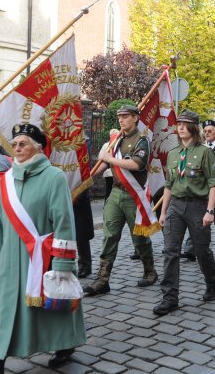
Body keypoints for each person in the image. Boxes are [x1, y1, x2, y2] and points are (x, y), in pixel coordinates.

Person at [0, 124, 86, 374]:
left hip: (45, 256)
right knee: (6, 307)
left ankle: (65, 344)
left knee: (53, 304)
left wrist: (62, 264)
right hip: (11, 258)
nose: (17, 148)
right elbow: (0, 219)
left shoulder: (54, 177)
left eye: (23, 143)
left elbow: (64, 222)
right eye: (15, 144)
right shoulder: (6, 179)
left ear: (38, 147)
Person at [153, 110, 215, 316]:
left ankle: (212, 281)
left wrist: (210, 211)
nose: (180, 127)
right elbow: (168, 184)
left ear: (193, 127)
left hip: (198, 207)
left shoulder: (205, 153)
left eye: (185, 124)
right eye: (178, 124)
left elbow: (214, 183)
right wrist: (163, 212)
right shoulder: (173, 154)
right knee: (170, 252)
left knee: (201, 251)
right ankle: (169, 297)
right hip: (176, 207)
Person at [85, 105, 158, 296]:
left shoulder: (142, 141)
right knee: (109, 235)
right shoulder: (116, 140)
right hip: (116, 194)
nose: (121, 120)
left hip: (133, 196)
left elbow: (135, 164)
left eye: (125, 116)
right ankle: (102, 279)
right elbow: (105, 163)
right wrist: (89, 179)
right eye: (119, 117)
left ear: (135, 118)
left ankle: (150, 271)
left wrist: (109, 158)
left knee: (139, 238)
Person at [182, 119, 215, 260]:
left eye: (209, 131)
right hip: (201, 190)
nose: (206, 133)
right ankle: (191, 250)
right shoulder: (200, 147)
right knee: (197, 219)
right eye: (204, 131)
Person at [101, 128, 120, 203]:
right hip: (109, 172)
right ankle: (107, 204)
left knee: (114, 189)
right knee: (109, 189)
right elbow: (100, 157)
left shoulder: (119, 144)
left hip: (115, 172)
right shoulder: (106, 145)